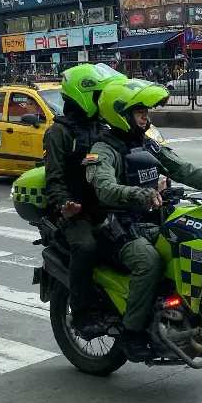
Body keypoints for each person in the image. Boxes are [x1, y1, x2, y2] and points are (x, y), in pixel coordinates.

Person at [83, 78, 202, 362]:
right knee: (149, 261)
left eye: (146, 111)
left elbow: (182, 168)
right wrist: (139, 194)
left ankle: (189, 317)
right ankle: (132, 333)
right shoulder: (104, 149)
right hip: (118, 227)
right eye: (139, 112)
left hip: (153, 221)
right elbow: (104, 186)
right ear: (120, 114)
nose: (146, 116)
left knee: (194, 243)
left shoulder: (148, 144)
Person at [43, 63, 127, 340]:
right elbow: (53, 178)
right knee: (86, 245)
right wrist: (65, 204)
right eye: (98, 95)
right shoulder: (59, 133)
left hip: (106, 205)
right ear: (83, 95)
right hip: (74, 212)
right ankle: (81, 313)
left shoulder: (104, 126)